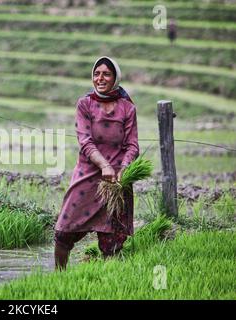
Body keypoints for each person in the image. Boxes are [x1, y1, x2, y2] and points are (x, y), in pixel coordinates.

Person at [54, 56, 139, 269]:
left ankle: (107, 281)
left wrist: (124, 169)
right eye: (97, 73)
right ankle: (58, 277)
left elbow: (132, 145)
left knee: (111, 242)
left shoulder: (127, 108)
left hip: (116, 182)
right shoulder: (85, 104)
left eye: (106, 74)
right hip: (88, 176)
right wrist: (104, 165)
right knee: (64, 232)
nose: (100, 78)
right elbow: (85, 141)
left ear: (115, 78)